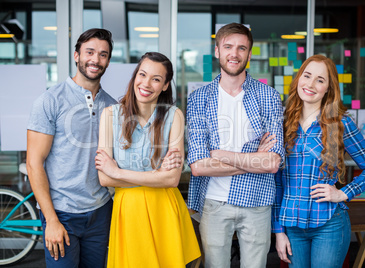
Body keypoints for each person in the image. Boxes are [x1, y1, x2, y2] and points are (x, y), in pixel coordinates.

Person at [186, 22, 284, 268]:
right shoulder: (199, 98)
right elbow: (198, 166)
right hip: (214, 203)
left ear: (249, 55)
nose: (234, 53)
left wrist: (219, 155)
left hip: (258, 201)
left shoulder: (268, 96)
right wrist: (253, 160)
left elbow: (272, 163)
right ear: (217, 50)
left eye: (242, 48)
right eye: (228, 46)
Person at [273, 55, 365, 268]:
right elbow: (277, 182)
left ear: (328, 88)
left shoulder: (340, 123)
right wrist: (278, 231)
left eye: (320, 80)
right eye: (307, 76)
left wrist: (343, 193)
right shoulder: (283, 122)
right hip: (292, 226)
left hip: (329, 224)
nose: (311, 84)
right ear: (298, 79)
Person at [95, 52, 201, 267]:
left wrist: (117, 172)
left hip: (164, 210)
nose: (147, 83)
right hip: (129, 211)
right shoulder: (110, 115)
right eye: (142, 75)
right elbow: (104, 179)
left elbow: (171, 180)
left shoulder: (174, 116)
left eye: (156, 79)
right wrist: (157, 176)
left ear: (165, 85)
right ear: (135, 77)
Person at [26, 28, 116, 267]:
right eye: (89, 52)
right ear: (76, 55)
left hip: (101, 211)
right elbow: (34, 163)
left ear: (108, 60)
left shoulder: (113, 106)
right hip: (62, 213)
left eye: (103, 54)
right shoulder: (50, 100)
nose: (95, 59)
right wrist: (51, 219)